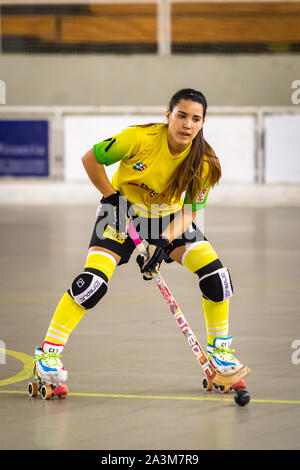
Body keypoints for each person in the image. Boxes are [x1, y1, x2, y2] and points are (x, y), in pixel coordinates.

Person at [32, 88, 245, 391]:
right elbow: (90, 158)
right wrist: (111, 196)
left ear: (202, 123)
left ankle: (220, 350)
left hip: (168, 218)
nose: (187, 124)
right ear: (168, 115)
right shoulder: (139, 139)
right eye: (181, 115)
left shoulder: (205, 161)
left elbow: (190, 211)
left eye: (195, 119)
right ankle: (48, 354)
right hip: (120, 213)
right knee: (93, 283)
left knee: (218, 278)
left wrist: (162, 241)